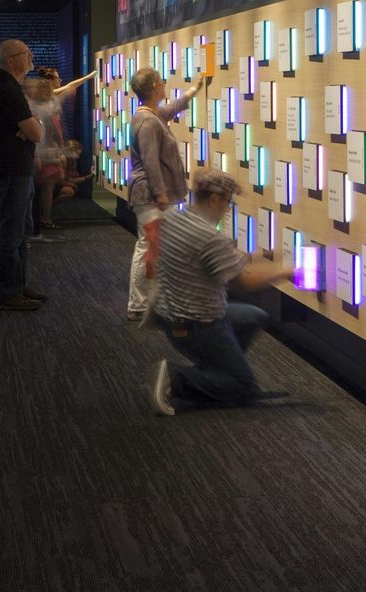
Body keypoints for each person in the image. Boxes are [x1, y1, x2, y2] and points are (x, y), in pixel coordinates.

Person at [149, 168, 295, 416]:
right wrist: (288, 273)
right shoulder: (208, 236)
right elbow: (244, 283)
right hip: (199, 325)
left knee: (254, 316)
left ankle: (215, 370)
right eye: (229, 201)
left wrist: (265, 255)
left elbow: (220, 259)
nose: (229, 208)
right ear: (215, 199)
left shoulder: (176, 219)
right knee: (244, 387)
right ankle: (178, 378)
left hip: (171, 316)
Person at [125, 67, 211, 321]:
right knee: (148, 246)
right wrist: (161, 193)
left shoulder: (151, 115)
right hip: (150, 195)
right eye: (161, 82)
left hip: (151, 194)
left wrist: (195, 88)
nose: (164, 85)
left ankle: (149, 301)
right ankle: (139, 303)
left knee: (153, 246)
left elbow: (173, 107)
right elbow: (150, 160)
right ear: (153, 87)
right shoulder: (148, 121)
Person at [0, 39, 47, 311]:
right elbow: (37, 133)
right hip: (13, 169)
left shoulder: (6, 87)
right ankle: (7, 292)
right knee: (12, 232)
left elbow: (34, 127)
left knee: (21, 230)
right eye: (25, 53)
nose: (31, 56)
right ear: (10, 60)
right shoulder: (6, 89)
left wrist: (33, 125)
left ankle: (17, 286)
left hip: (17, 168)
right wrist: (32, 127)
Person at [29, 76, 66, 231]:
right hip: (46, 152)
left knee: (40, 189)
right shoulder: (46, 109)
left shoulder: (38, 107)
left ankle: (39, 219)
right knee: (46, 189)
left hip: (43, 151)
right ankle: (45, 218)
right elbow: (52, 132)